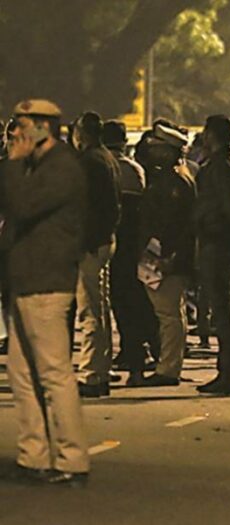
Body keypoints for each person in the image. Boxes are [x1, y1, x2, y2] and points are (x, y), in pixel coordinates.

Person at [1, 99, 90, 485]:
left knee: (54, 374)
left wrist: (13, 163)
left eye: (22, 126)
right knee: (21, 373)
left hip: (47, 283)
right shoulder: (37, 166)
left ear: (43, 127)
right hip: (26, 282)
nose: (16, 134)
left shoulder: (62, 168)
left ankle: (72, 459)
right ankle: (33, 455)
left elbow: (22, 207)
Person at [135, 122, 197, 387]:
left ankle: (169, 369)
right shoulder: (169, 178)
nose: (152, 152)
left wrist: (172, 257)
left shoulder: (175, 183)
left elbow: (180, 225)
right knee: (168, 311)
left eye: (157, 148)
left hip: (165, 255)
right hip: (157, 253)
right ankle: (168, 364)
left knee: (169, 313)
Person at [193, 115, 230, 396]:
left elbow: (227, 205)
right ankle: (226, 371)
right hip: (220, 240)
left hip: (217, 240)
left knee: (221, 309)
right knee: (222, 308)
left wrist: (227, 235)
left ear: (212, 134)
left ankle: (228, 374)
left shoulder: (219, 166)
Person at [102, 120, 160, 383]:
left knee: (120, 300)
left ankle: (134, 352)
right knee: (137, 299)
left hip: (114, 242)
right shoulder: (135, 169)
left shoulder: (105, 166)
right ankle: (141, 351)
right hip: (135, 243)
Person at [73, 112, 122, 398]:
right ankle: (101, 371)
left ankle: (91, 374)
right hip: (105, 240)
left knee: (89, 311)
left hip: (90, 244)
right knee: (100, 309)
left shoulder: (88, 162)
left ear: (81, 134)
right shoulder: (107, 159)